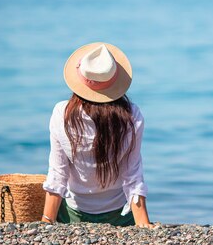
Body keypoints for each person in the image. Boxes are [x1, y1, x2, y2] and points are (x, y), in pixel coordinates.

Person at [41, 42, 152, 227]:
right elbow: (133, 175)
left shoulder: (62, 113)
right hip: (120, 216)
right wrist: (143, 224)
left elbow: (58, 173)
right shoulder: (131, 115)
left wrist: (46, 221)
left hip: (73, 214)